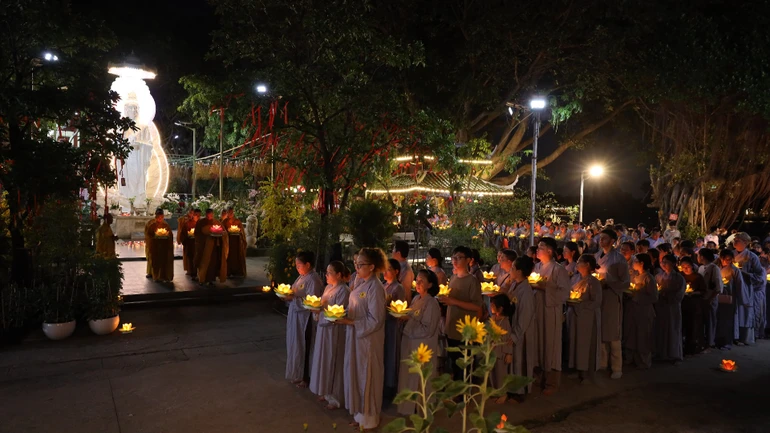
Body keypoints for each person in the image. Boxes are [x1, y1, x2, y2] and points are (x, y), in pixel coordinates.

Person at [339, 248, 387, 431]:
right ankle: (359, 414)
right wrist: (344, 315)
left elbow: (376, 319)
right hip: (356, 337)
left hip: (368, 340)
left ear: (372, 266)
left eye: (361, 265)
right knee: (356, 374)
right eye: (356, 264)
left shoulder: (375, 287)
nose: (356, 268)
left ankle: (370, 418)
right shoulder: (360, 283)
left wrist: (351, 321)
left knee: (368, 376)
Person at [396, 269, 441, 415]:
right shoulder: (416, 299)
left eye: (422, 281)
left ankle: (423, 409)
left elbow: (428, 329)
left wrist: (409, 320)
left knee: (422, 378)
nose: (418, 283)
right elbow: (411, 315)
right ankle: (408, 407)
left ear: (430, 285)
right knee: (408, 376)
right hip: (410, 342)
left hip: (422, 346)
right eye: (417, 280)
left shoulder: (432, 303)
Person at [309, 261, 350, 410]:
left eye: (329, 273)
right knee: (323, 359)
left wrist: (323, 311)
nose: (326, 275)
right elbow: (322, 307)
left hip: (334, 331)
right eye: (326, 272)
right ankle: (325, 391)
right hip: (323, 330)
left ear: (339, 275)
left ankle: (335, 397)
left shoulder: (344, 291)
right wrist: (316, 311)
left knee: (333, 360)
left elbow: (339, 313)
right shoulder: (327, 288)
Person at [532, 237, 571, 395]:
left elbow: (564, 293)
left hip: (551, 311)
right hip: (537, 310)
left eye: (541, 247)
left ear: (550, 250)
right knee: (538, 343)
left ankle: (552, 382)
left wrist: (545, 288)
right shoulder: (537, 267)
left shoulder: (558, 269)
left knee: (551, 345)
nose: (537, 249)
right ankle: (538, 376)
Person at [438, 246, 483, 380]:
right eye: (454, 258)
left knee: (465, 365)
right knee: (454, 363)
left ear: (469, 260)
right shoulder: (453, 278)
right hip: (452, 328)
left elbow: (477, 306)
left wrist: (454, 301)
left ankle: (465, 396)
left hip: (465, 331)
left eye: (459, 257)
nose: (455, 260)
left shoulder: (472, 281)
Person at [285, 251, 324, 388]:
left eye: (299, 265)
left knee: (305, 346)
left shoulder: (312, 280)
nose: (297, 268)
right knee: (295, 345)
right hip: (295, 317)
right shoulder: (302, 277)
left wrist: (293, 298)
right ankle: (297, 373)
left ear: (308, 264)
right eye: (296, 265)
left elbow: (312, 302)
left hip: (305, 318)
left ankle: (305, 376)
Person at [596, 229, 629, 379]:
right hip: (598, 296)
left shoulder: (618, 259)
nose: (601, 241)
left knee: (613, 333)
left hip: (611, 296)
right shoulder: (597, 256)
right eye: (600, 238)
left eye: (604, 238)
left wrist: (608, 282)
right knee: (601, 330)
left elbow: (625, 282)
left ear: (612, 241)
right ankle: (602, 362)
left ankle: (617, 367)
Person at [568, 254, 602, 384]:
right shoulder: (575, 278)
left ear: (587, 265)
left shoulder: (593, 282)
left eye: (579, 262)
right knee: (575, 342)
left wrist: (581, 304)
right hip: (575, 315)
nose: (576, 264)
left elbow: (597, 302)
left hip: (587, 317)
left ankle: (587, 373)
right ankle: (578, 369)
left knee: (586, 344)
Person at [507, 256, 537, 398]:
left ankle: (520, 393)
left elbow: (525, 316)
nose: (510, 270)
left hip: (521, 332)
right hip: (513, 328)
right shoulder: (515, 285)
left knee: (520, 361)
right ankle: (512, 389)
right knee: (513, 362)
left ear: (519, 271)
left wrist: (515, 335)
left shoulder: (526, 291)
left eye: (512, 268)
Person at [733, 232, 767, 341]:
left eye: (737, 240)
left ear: (746, 243)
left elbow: (759, 275)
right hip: (732, 287)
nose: (735, 241)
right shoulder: (731, 254)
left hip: (746, 287)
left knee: (745, 312)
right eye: (735, 239)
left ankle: (744, 336)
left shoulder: (751, 257)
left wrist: (744, 274)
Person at [625, 254, 657, 369]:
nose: (633, 263)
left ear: (642, 263)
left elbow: (654, 297)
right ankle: (632, 358)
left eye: (635, 261)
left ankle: (644, 361)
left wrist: (637, 296)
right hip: (633, 310)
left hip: (644, 310)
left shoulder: (648, 278)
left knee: (643, 336)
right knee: (632, 334)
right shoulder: (635, 276)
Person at [655, 254, 685, 364]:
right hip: (661, 306)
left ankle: (674, 354)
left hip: (672, 307)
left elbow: (680, 293)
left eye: (666, 262)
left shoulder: (678, 277)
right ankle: (662, 353)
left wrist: (667, 295)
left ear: (673, 263)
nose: (663, 264)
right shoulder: (659, 276)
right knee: (662, 329)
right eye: (662, 262)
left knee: (673, 328)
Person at [383, 259, 406, 401]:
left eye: (389, 269)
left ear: (396, 271)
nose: (385, 272)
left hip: (393, 325)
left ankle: (391, 386)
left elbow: (400, 308)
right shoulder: (384, 286)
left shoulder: (398, 288)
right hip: (383, 325)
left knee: (392, 354)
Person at [719, 249, 747, 346]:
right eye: (726, 259)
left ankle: (732, 336)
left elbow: (740, 285)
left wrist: (743, 299)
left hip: (731, 296)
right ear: (721, 258)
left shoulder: (734, 270)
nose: (728, 261)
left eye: (730, 259)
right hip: (718, 295)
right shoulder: (716, 267)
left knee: (731, 317)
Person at [488, 294, 514, 403]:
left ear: (500, 308)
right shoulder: (493, 319)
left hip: (501, 353)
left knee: (501, 374)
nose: (491, 307)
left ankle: (503, 393)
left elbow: (508, 340)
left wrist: (509, 354)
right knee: (492, 374)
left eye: (493, 306)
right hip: (492, 351)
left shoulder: (505, 322)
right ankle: (495, 392)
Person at [680, 257, 707, 355]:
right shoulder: (680, 276)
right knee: (681, 326)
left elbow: (703, 291)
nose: (685, 269)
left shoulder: (698, 277)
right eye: (683, 267)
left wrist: (694, 293)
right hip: (682, 304)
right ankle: (681, 347)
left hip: (694, 305)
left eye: (687, 266)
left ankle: (691, 347)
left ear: (692, 266)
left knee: (692, 326)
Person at [194, 209, 229, 284]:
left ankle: (211, 279)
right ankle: (202, 278)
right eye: (208, 215)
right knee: (204, 263)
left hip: (214, 247)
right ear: (206, 214)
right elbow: (197, 234)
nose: (209, 217)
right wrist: (207, 234)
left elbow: (224, 232)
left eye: (211, 215)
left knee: (213, 263)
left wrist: (220, 234)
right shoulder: (200, 222)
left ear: (212, 214)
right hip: (204, 247)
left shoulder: (216, 222)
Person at [697, 248, 723, 349]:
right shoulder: (701, 268)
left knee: (710, 321)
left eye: (699, 255)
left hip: (710, 298)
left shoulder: (714, 268)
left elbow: (718, 287)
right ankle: (702, 341)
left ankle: (710, 342)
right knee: (702, 321)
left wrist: (710, 298)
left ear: (702, 256)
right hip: (701, 298)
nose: (698, 257)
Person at [146, 208, 174, 282]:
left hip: (164, 247)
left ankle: (163, 276)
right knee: (155, 262)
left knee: (163, 262)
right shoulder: (151, 225)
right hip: (155, 247)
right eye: (158, 217)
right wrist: (155, 236)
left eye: (161, 217)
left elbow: (170, 235)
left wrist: (166, 236)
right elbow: (148, 235)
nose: (160, 219)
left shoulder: (166, 225)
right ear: (156, 216)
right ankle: (155, 275)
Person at [225, 207, 247, 277]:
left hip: (237, 243)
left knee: (237, 257)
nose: (231, 214)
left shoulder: (237, 221)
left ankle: (237, 272)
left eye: (232, 212)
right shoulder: (225, 222)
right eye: (229, 212)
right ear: (227, 213)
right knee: (229, 258)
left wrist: (238, 231)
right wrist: (228, 232)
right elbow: (222, 230)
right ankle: (228, 272)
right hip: (228, 243)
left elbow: (242, 231)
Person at [180, 209, 200, 277]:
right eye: (195, 215)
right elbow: (183, 234)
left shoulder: (201, 223)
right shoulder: (187, 223)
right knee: (191, 258)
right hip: (190, 244)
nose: (197, 216)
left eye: (198, 215)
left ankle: (199, 273)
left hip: (199, 244)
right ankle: (192, 273)